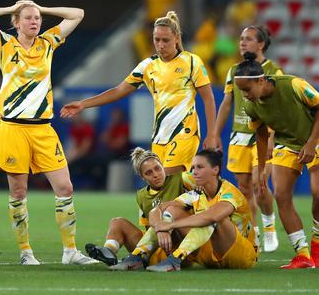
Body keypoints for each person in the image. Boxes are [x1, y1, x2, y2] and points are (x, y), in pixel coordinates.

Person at [0, 0, 97, 265]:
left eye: (37, 18)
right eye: (28, 18)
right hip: (13, 128)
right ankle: (26, 252)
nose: (35, 22)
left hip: (43, 129)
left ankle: (70, 251)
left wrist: (43, 7)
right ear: (16, 23)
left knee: (65, 187)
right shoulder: (4, 44)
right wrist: (11, 8)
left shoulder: (48, 43)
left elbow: (78, 12)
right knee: (18, 192)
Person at [62, 11, 219, 176]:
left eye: (165, 40)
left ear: (177, 39)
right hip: (160, 137)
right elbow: (118, 91)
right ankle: (198, 197)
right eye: (156, 40)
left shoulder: (191, 61)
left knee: (163, 179)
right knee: (171, 191)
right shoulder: (147, 66)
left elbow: (208, 98)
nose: (161, 45)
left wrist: (211, 134)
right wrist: (83, 104)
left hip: (185, 133)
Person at [235, 55, 319, 269]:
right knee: (281, 195)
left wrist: (311, 144)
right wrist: (262, 168)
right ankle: (303, 255)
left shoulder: (293, 85)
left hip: (315, 138)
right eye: (241, 91)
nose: (245, 95)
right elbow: (262, 134)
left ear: (261, 80)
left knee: (318, 193)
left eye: (247, 89)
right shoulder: (250, 105)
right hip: (287, 143)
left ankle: (317, 247)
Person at [130, 150, 258, 272]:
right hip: (210, 257)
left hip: (241, 257)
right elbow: (157, 209)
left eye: (200, 167)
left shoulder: (230, 192)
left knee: (214, 218)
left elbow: (212, 216)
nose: (194, 172)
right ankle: (138, 255)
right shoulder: (195, 194)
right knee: (172, 209)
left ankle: (176, 258)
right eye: (193, 168)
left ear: (215, 170)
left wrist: (170, 225)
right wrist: (160, 228)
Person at [214, 25, 281, 253]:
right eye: (241, 38)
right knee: (244, 188)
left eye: (249, 39)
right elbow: (226, 103)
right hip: (239, 135)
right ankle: (253, 232)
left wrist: (274, 136)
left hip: (264, 135)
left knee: (259, 183)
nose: (242, 42)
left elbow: (279, 107)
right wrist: (214, 133)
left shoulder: (273, 70)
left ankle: (270, 227)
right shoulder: (234, 70)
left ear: (261, 44)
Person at [85, 147, 195, 266]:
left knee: (172, 211)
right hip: (158, 246)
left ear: (162, 166)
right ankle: (109, 251)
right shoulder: (142, 196)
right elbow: (148, 229)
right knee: (117, 222)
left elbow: (208, 187)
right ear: (142, 177)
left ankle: (141, 259)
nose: (155, 175)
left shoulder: (181, 179)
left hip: (183, 248)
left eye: (157, 168)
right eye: (149, 173)